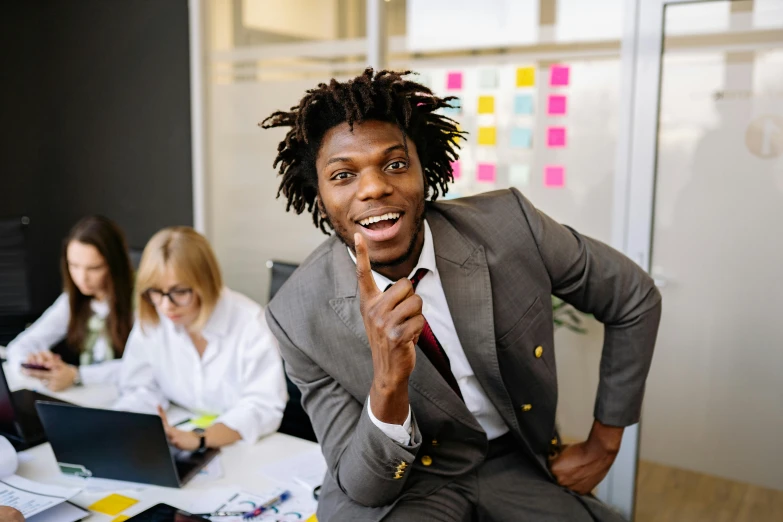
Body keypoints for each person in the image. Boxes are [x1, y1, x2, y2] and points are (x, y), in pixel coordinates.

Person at [261, 69, 662, 521]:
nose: (373, 187)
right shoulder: (296, 316)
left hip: (513, 460)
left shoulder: (510, 227)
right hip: (406, 483)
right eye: (343, 175)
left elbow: (633, 296)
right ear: (320, 198)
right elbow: (365, 486)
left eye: (395, 164)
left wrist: (605, 442)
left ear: (424, 170)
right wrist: (388, 382)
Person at [114, 226, 287, 450]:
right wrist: (125, 422)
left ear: (206, 283)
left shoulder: (250, 322)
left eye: (180, 292)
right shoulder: (153, 317)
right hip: (177, 433)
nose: (166, 306)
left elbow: (263, 406)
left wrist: (201, 438)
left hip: (239, 447)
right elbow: (140, 387)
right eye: (156, 292)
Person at [7, 215, 134, 391]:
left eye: (94, 268)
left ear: (114, 265)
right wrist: (35, 364)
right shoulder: (72, 300)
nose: (82, 278)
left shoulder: (141, 303)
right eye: (74, 265)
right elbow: (20, 346)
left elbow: (144, 367)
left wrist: (76, 375)